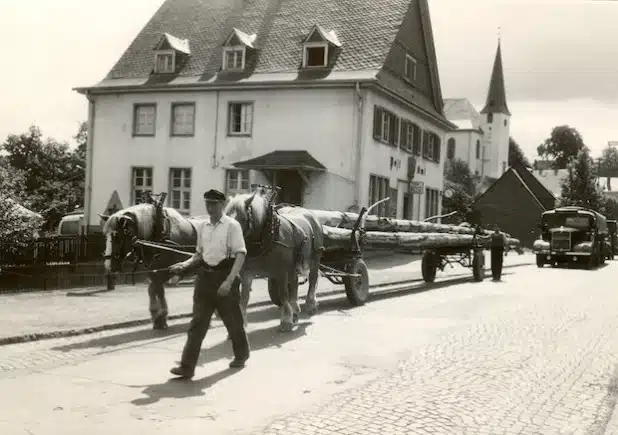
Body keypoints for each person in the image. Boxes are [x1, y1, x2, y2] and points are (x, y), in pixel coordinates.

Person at [168, 189, 249, 379]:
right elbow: (199, 254)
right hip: (204, 280)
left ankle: (241, 354)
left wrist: (229, 282)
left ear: (222, 205)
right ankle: (187, 367)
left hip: (224, 278)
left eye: (213, 204)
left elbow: (241, 254)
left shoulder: (232, 226)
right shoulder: (203, 227)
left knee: (233, 322)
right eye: (207, 203)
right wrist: (185, 264)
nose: (210, 207)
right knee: (197, 324)